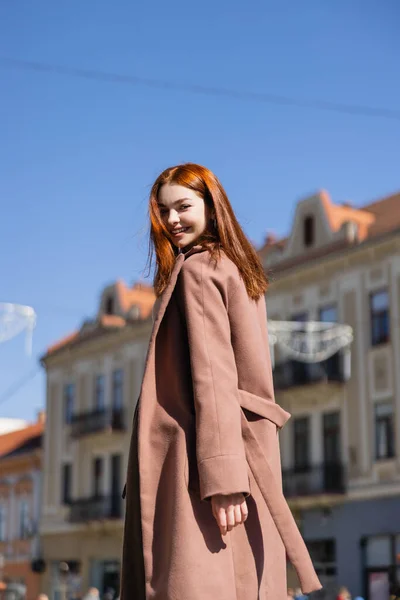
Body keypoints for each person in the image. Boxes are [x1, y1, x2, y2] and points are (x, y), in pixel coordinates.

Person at [120, 163, 322, 599]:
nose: (172, 220)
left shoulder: (198, 269)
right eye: (163, 211)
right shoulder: (235, 266)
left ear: (212, 206)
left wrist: (223, 478)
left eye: (183, 206)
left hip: (199, 464)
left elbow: (213, 377)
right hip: (239, 453)